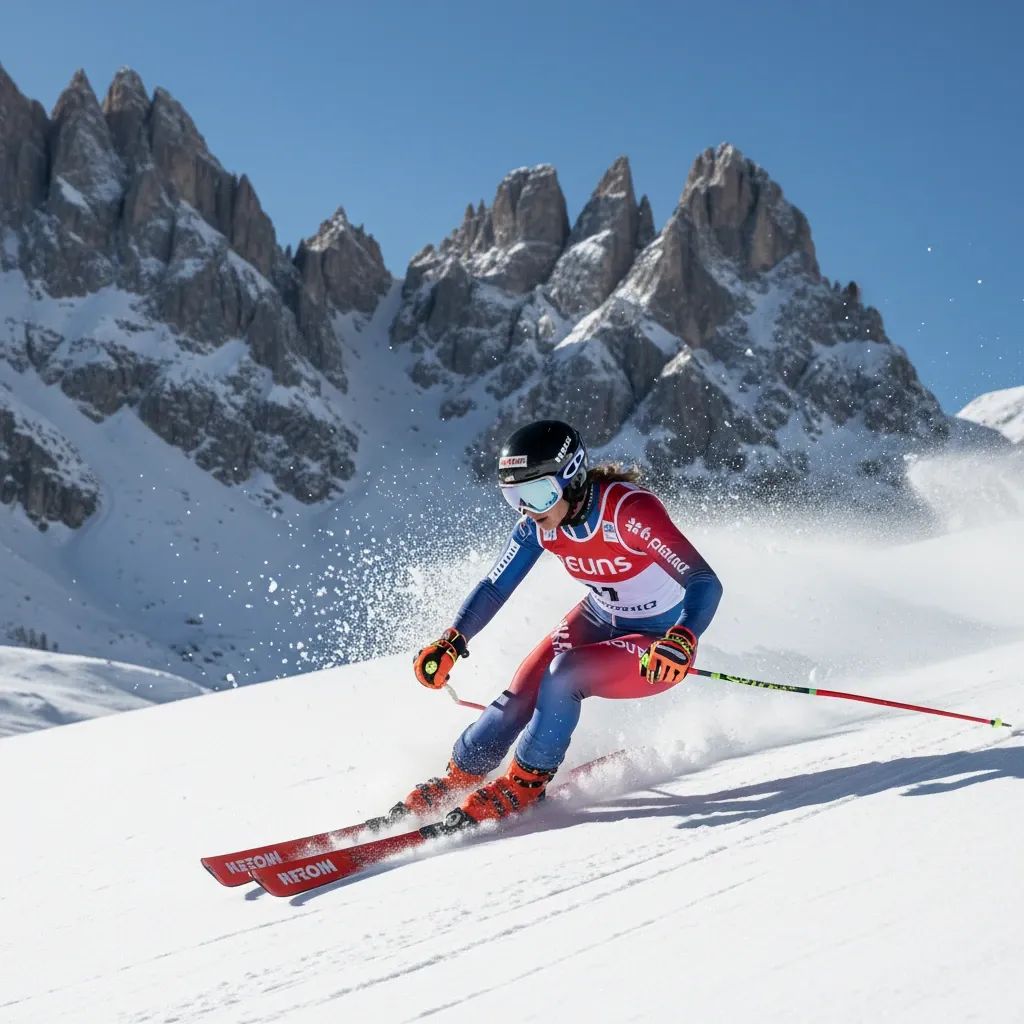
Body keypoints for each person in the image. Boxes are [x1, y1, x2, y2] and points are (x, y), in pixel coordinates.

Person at [404, 419, 723, 825]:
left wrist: (683, 637)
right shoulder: (539, 527)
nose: (527, 510)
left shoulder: (628, 512)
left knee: (563, 675)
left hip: (658, 644)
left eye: (537, 494)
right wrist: (452, 640)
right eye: (513, 497)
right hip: (598, 617)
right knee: (518, 698)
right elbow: (494, 588)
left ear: (571, 478)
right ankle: (460, 776)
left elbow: (703, 580)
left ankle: (524, 785)